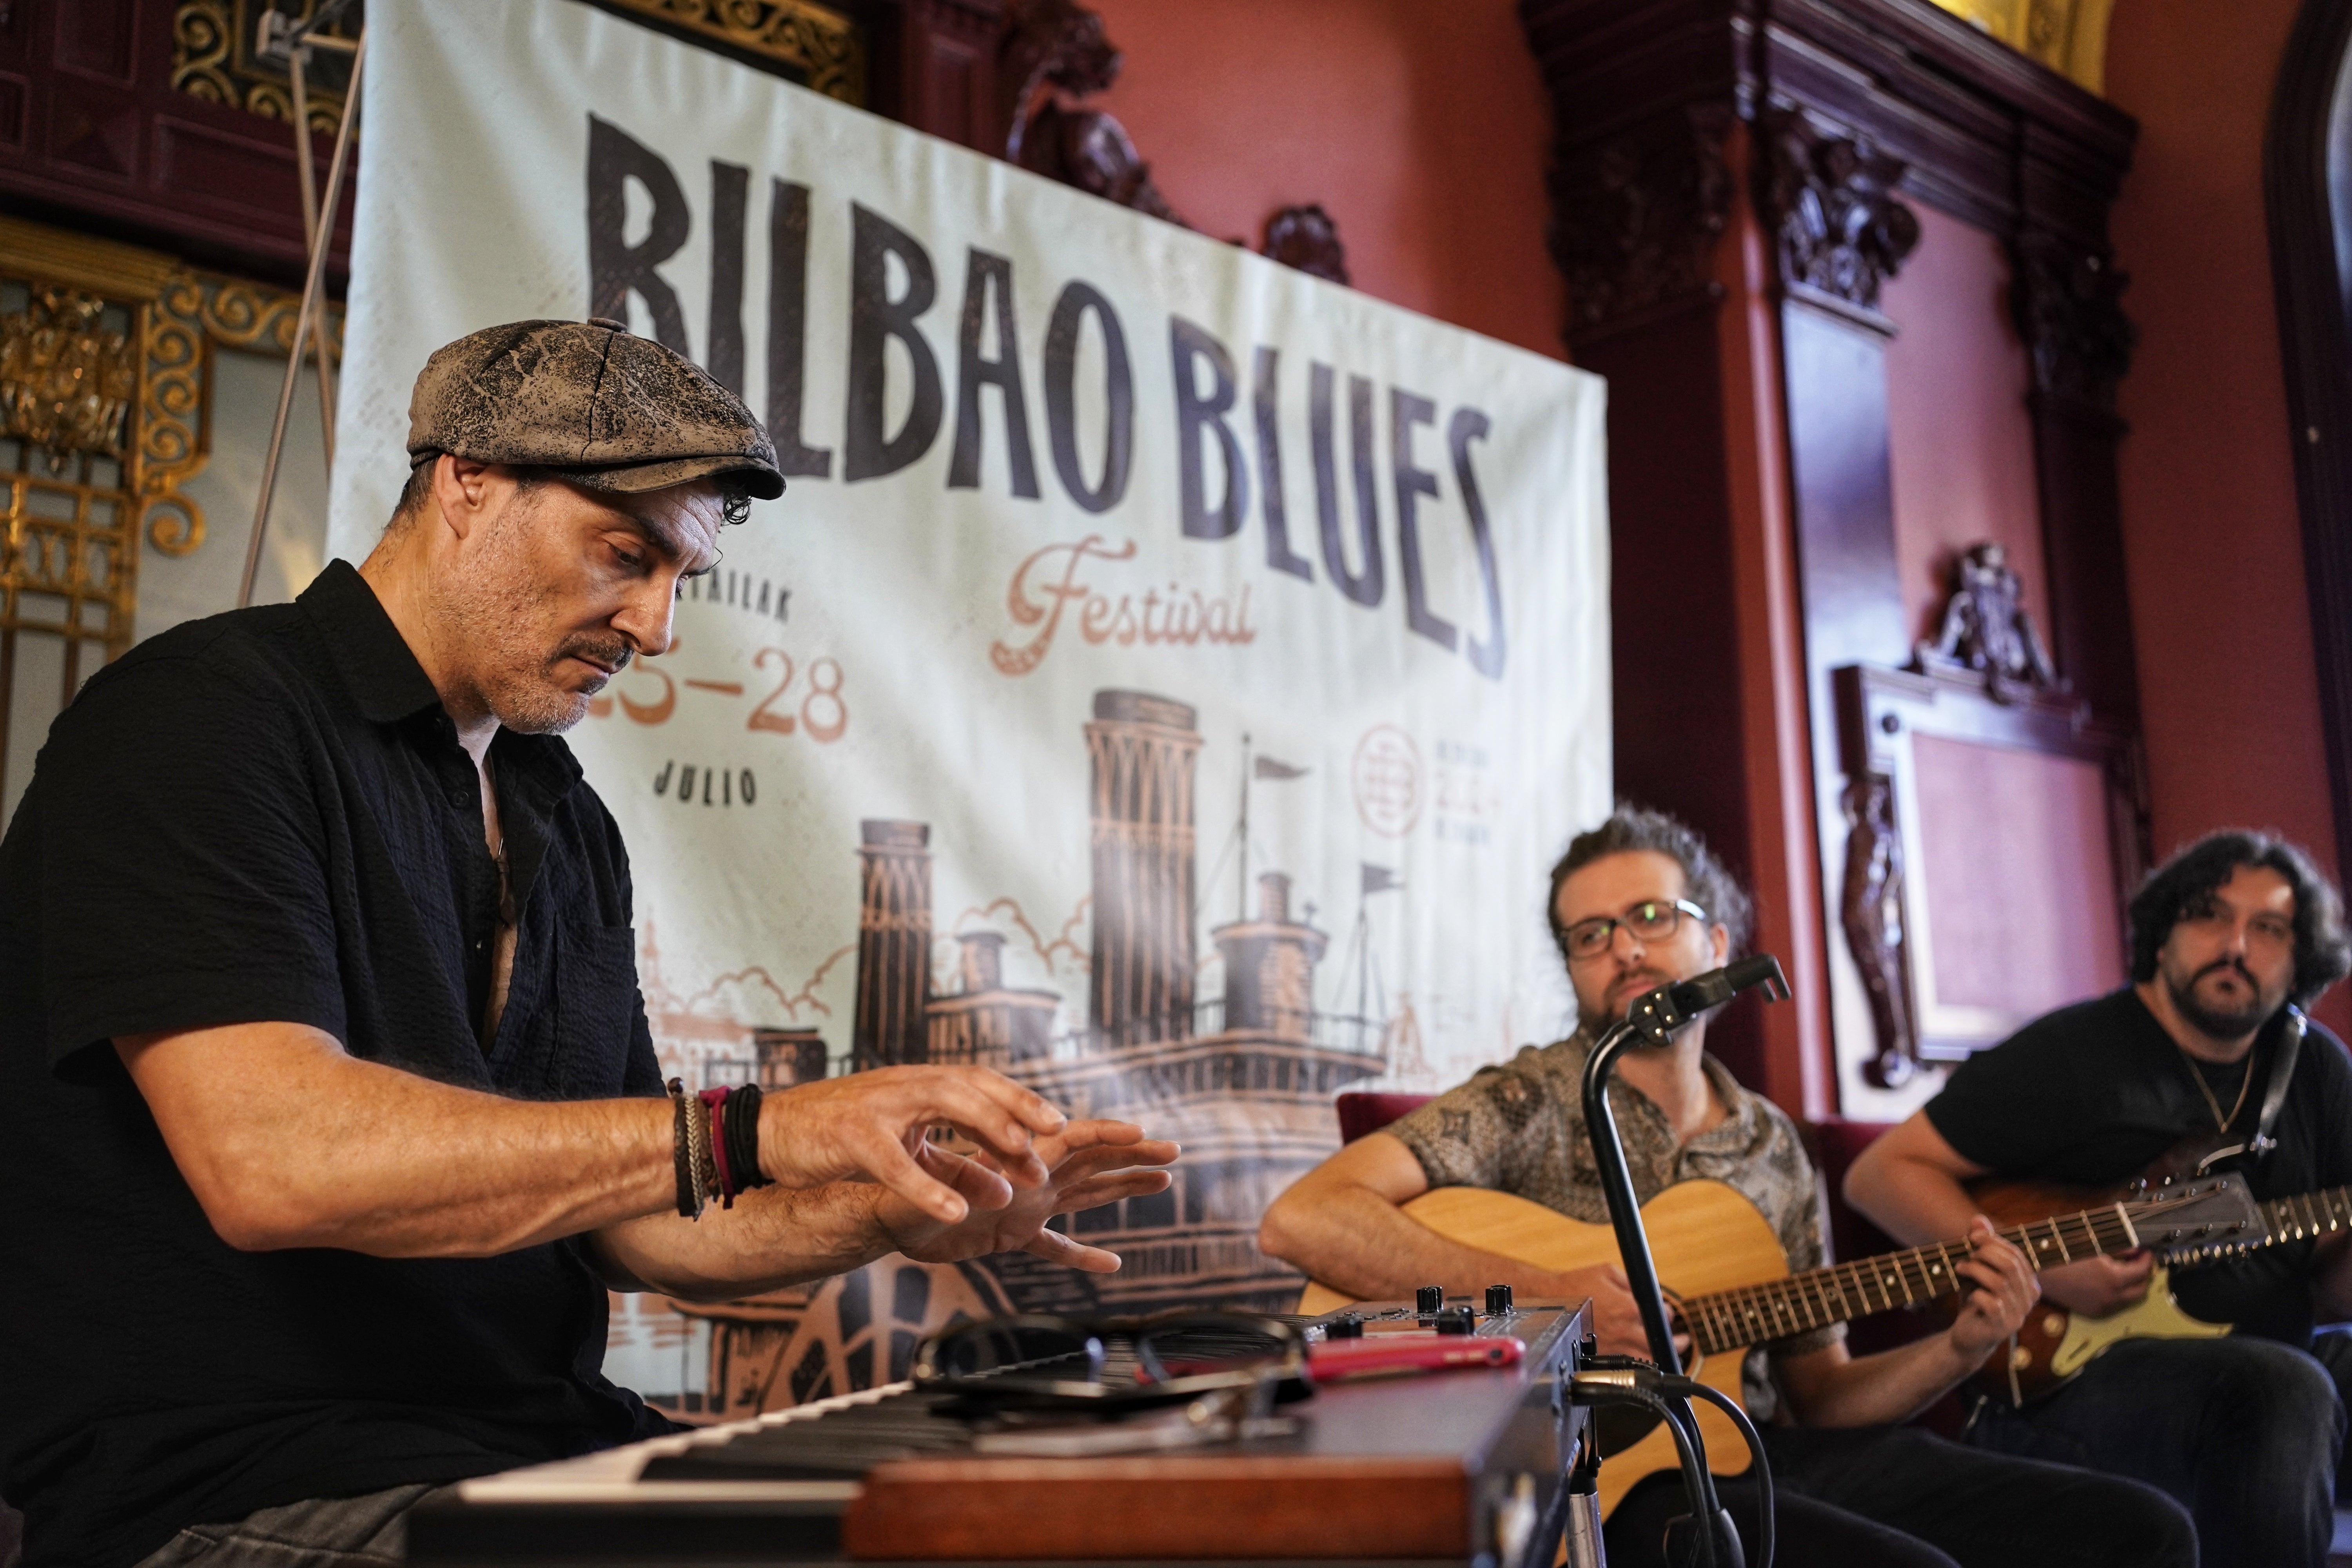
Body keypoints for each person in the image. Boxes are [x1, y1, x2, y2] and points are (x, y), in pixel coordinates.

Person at [0, 318, 1178, 1568]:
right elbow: (274, 1160)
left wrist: (899, 1208)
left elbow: (638, 1228)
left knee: (1002, 1520)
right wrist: (757, 1127)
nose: (658, 627)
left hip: (537, 1451)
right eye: (626, 553)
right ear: (468, 482)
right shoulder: (203, 719)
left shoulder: (562, 813)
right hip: (234, 1494)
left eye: (683, 580)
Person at [1258, 805, 2193, 1568]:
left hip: (1768, 1444)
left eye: (1651, 917)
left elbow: (1821, 1393)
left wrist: (1960, 1346)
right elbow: (1303, 1219)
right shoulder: (1529, 1098)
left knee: (2145, 1531)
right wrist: (1550, 1291)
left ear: (1716, 936)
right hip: (1613, 1465)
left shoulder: (1773, 1144)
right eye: (1590, 934)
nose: (1625, 947)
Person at [1845, 829, 2352, 1568]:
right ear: (2164, 934)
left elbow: (2329, 1297)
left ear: (2302, 957)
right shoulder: (2077, 1053)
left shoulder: (2317, 1071)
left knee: (2287, 1376)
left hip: (2265, 1353)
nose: (2236, 945)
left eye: (2269, 928)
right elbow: (1881, 1175)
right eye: (2211, 914)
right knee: (2284, 1387)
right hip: (2068, 1377)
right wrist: (2038, 1268)